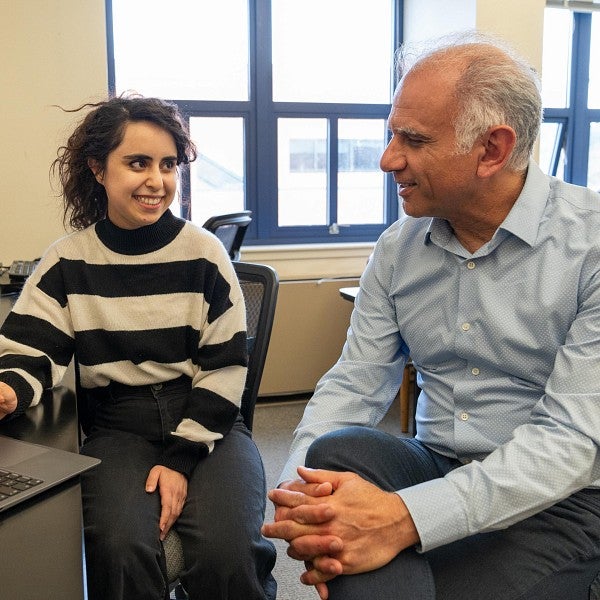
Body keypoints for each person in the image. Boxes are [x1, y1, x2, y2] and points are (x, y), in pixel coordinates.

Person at [262, 32, 600, 600]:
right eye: (392, 132)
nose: (388, 158)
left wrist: (400, 520)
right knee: (333, 457)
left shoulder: (589, 247)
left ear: (492, 150)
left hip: (557, 495)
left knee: (396, 573)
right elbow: (355, 379)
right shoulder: (399, 248)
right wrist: (299, 493)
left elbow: (568, 442)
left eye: (412, 140)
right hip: (435, 462)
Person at [0, 95, 276, 600]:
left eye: (168, 164)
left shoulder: (205, 253)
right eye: (137, 163)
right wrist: (11, 391)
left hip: (206, 416)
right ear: (97, 170)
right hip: (117, 425)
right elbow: (31, 350)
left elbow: (223, 367)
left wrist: (180, 458)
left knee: (227, 552)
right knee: (119, 548)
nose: (157, 180)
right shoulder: (67, 261)